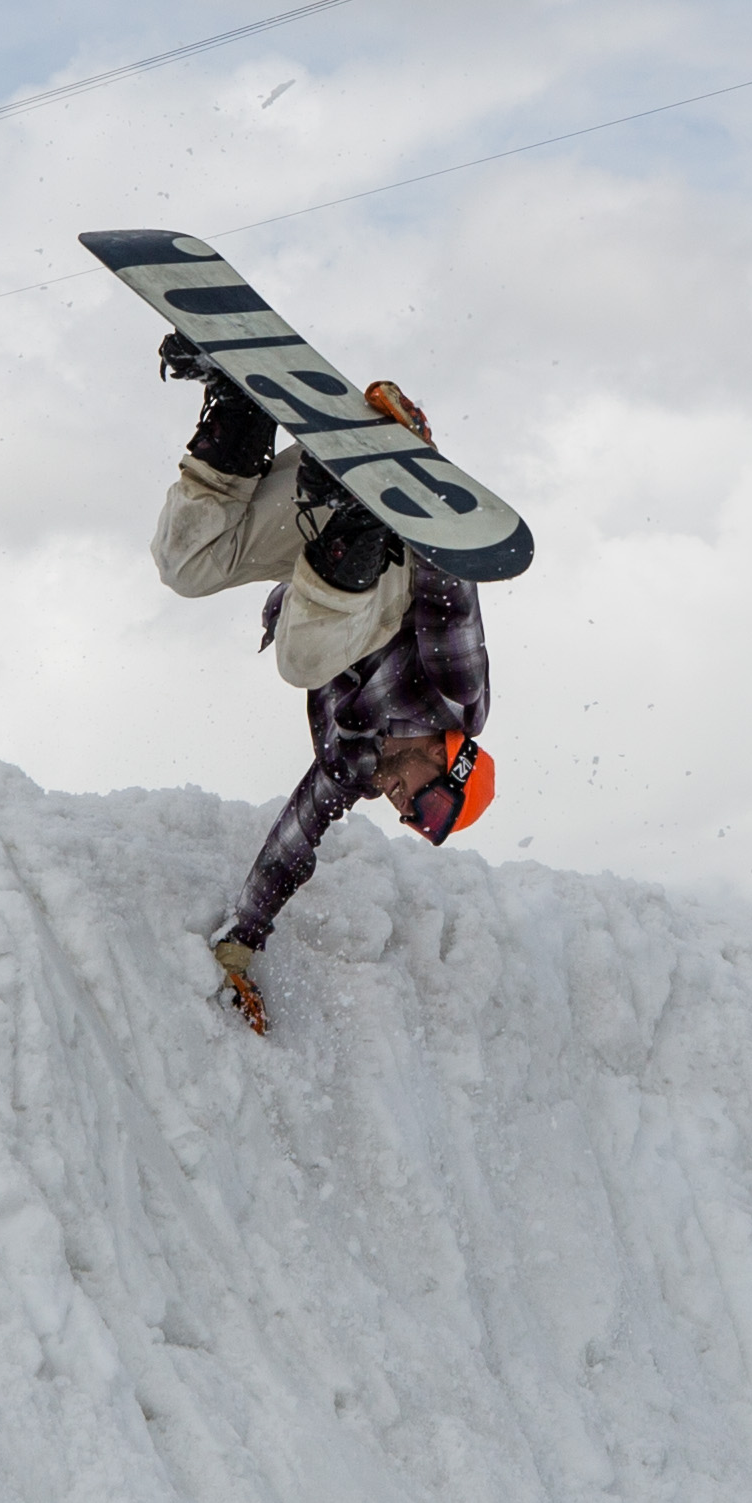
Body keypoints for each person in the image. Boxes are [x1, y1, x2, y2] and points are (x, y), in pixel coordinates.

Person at [147, 331, 493, 1034]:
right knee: (302, 661)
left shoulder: (355, 759)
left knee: (185, 564)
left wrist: (241, 941)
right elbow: (453, 592)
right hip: (396, 538)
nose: (403, 809)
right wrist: (417, 470)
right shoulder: (456, 696)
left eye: (413, 820)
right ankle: (368, 498)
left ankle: (239, 414)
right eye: (427, 808)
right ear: (451, 760)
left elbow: (294, 842)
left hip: (325, 524)